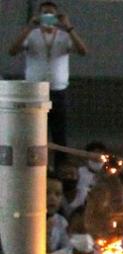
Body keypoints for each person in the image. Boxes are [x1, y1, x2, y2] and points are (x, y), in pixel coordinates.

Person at [8, 1, 88, 168]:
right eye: (45, 13)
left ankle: (60, 168)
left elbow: (83, 51)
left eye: (52, 14)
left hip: (58, 90)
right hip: (35, 91)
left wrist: (69, 27)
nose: (48, 17)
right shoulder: (32, 34)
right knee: (34, 132)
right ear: (39, 15)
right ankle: (33, 166)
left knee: (60, 134)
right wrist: (29, 27)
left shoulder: (64, 36)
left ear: (58, 16)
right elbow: (12, 51)